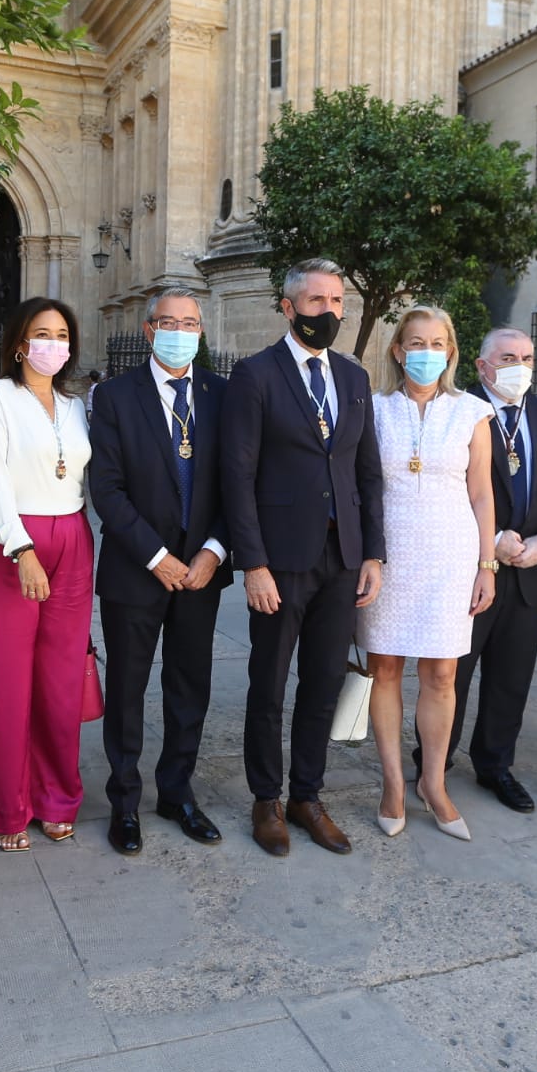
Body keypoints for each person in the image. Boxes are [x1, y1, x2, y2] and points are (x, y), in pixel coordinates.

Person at [220, 258, 385, 858]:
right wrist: (253, 563)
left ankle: (306, 796)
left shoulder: (354, 377)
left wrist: (374, 554)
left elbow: (367, 473)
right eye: (316, 302)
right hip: (281, 562)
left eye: (337, 301)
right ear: (288, 307)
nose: (329, 312)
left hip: (343, 559)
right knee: (268, 683)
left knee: (321, 683)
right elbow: (236, 477)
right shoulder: (255, 375)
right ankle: (266, 798)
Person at [86, 287, 231, 855]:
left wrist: (214, 550)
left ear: (201, 331)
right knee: (127, 689)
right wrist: (157, 556)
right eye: (168, 322)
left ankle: (177, 792)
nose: (179, 331)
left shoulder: (223, 396)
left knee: (189, 686)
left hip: (202, 570)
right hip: (136, 570)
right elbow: (107, 489)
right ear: (149, 331)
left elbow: (235, 484)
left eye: (190, 322)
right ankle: (125, 802)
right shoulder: (115, 397)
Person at [415, 327, 537, 813]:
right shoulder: (458, 409)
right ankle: (434, 763)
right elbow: (446, 489)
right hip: (469, 566)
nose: (520, 366)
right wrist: (496, 537)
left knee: (512, 676)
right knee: (452, 673)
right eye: (509, 357)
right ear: (483, 366)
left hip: (531, 567)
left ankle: (495, 764)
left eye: (528, 357)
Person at [0, 299, 95, 852]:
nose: (53, 344)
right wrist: (23, 549)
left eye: (62, 334)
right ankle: (5, 805)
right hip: (8, 544)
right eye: (42, 334)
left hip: (73, 538)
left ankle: (57, 798)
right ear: (19, 343)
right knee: (4, 679)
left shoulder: (74, 405)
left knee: (60, 680)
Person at [357, 306, 496, 841]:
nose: (426, 353)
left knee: (442, 674)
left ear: (451, 352)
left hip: (451, 557)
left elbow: (482, 494)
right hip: (388, 556)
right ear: (397, 350)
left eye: (438, 343)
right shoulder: (373, 409)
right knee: (384, 668)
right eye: (416, 342)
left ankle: (433, 783)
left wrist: (487, 565)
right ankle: (393, 782)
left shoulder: (473, 413)